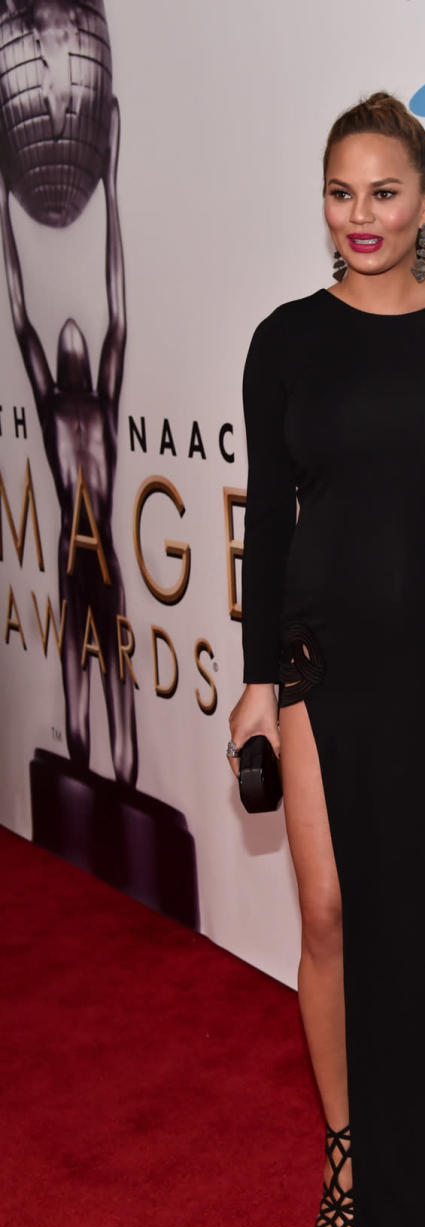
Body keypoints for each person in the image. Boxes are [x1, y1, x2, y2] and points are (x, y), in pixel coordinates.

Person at [229, 92, 425, 1227]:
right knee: (332, 916)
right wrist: (254, 678)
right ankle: (347, 1145)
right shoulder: (286, 336)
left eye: (385, 191)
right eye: (341, 194)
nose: (362, 217)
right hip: (319, 665)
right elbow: (272, 528)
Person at [0, 98, 136, 785]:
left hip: (102, 552)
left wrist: (111, 185)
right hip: (70, 550)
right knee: (77, 696)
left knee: (119, 704)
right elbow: (19, 307)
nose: (70, 331)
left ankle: (111, 785)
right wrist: (1, 197)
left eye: (74, 336)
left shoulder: (103, 398)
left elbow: (116, 302)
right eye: (63, 339)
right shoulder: (54, 395)